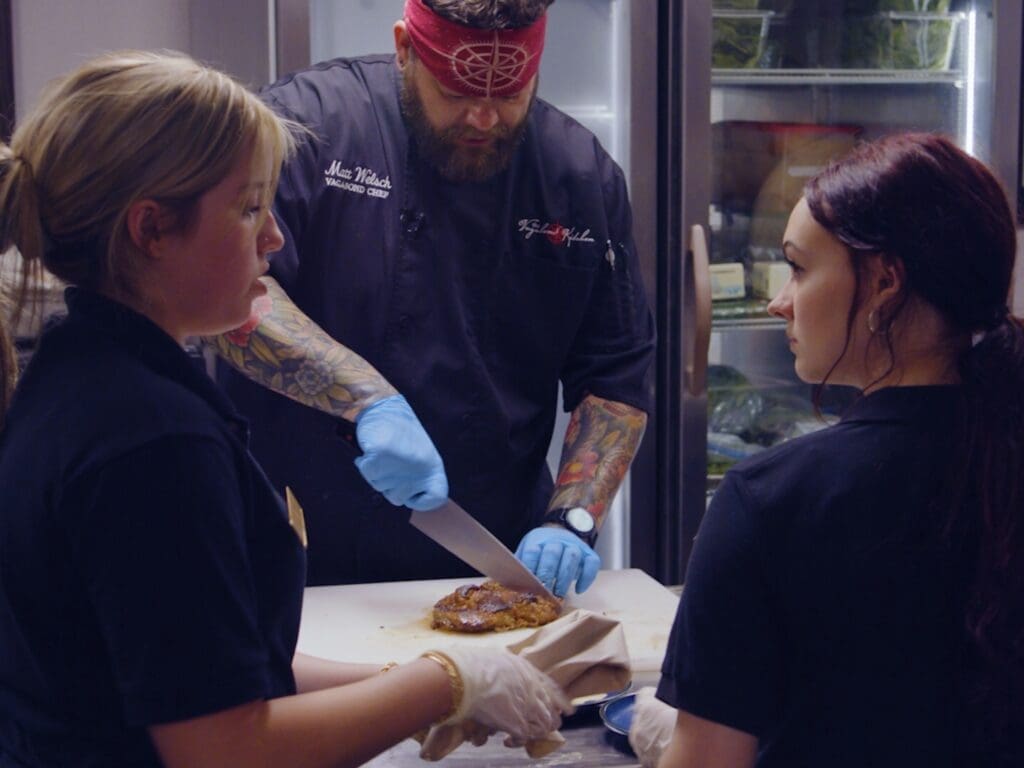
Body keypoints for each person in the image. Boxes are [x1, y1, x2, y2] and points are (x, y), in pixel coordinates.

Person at [0, 50, 570, 767]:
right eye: (248, 210)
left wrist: (412, 692)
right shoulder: (150, 441)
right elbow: (225, 749)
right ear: (150, 231)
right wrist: (445, 681)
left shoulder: (82, 370)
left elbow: (211, 676)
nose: (274, 237)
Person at [212, 0, 655, 592]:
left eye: (508, 95)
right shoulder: (305, 128)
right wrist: (368, 402)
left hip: (487, 560)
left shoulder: (579, 176)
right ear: (404, 48)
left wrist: (572, 518)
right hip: (292, 546)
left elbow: (615, 375)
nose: (482, 118)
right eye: (455, 92)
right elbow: (229, 298)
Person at [628, 133, 1024, 768]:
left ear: (885, 282)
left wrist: (666, 741)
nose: (778, 301)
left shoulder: (766, 503)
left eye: (798, 267)